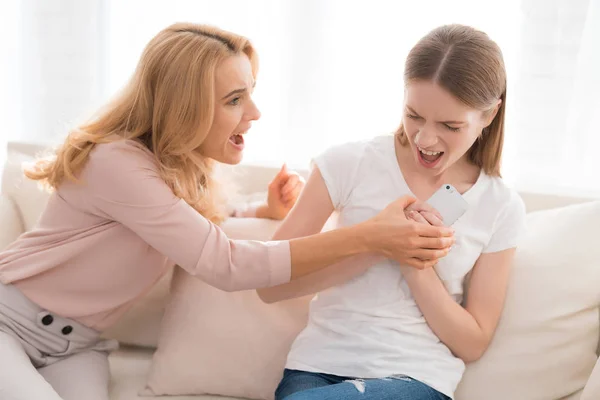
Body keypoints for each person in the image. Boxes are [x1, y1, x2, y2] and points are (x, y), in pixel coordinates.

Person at [0, 23, 453, 400]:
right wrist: (370, 236)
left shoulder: (176, 171)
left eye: (251, 93)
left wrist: (262, 208)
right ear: (185, 107)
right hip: (9, 324)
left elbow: (194, 222)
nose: (254, 112)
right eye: (234, 99)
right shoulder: (117, 161)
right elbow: (225, 263)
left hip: (79, 346)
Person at [260, 24, 526, 400]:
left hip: (414, 377)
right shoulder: (347, 164)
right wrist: (378, 243)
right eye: (414, 115)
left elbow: (473, 343)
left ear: (488, 115)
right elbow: (269, 286)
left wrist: (415, 263)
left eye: (450, 125)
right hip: (314, 370)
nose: (425, 139)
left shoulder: (500, 205)